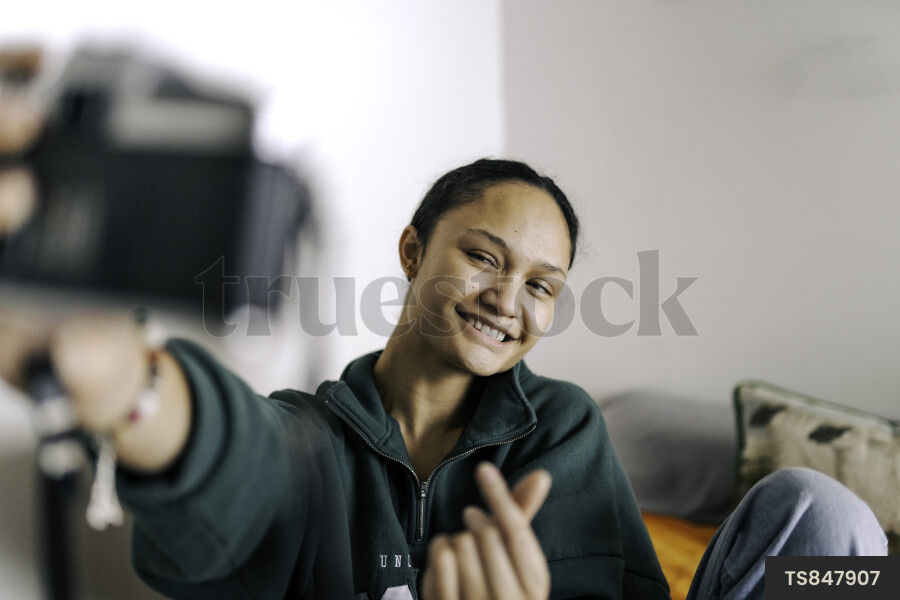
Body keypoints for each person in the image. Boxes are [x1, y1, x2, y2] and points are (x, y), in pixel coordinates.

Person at [0, 85, 888, 600]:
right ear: (414, 251)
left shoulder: (566, 429)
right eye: (483, 258)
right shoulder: (307, 434)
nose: (510, 301)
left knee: (826, 515)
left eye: (542, 286)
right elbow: (229, 454)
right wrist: (127, 385)